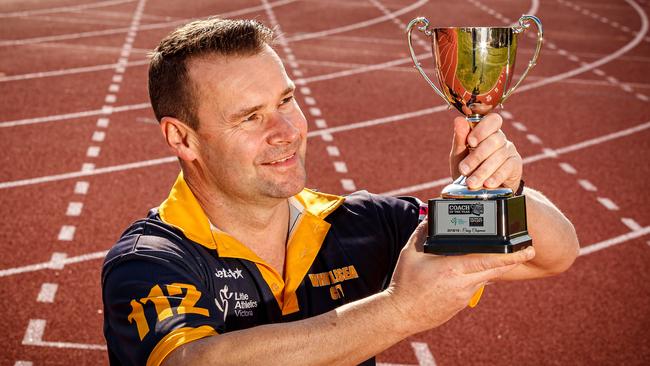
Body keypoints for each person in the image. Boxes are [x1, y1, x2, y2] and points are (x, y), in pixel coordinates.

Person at [101, 17, 579, 366]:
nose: (287, 130)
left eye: (287, 100)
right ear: (182, 138)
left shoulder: (359, 225)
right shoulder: (149, 261)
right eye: (251, 117)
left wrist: (501, 187)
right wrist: (399, 310)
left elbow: (552, 254)